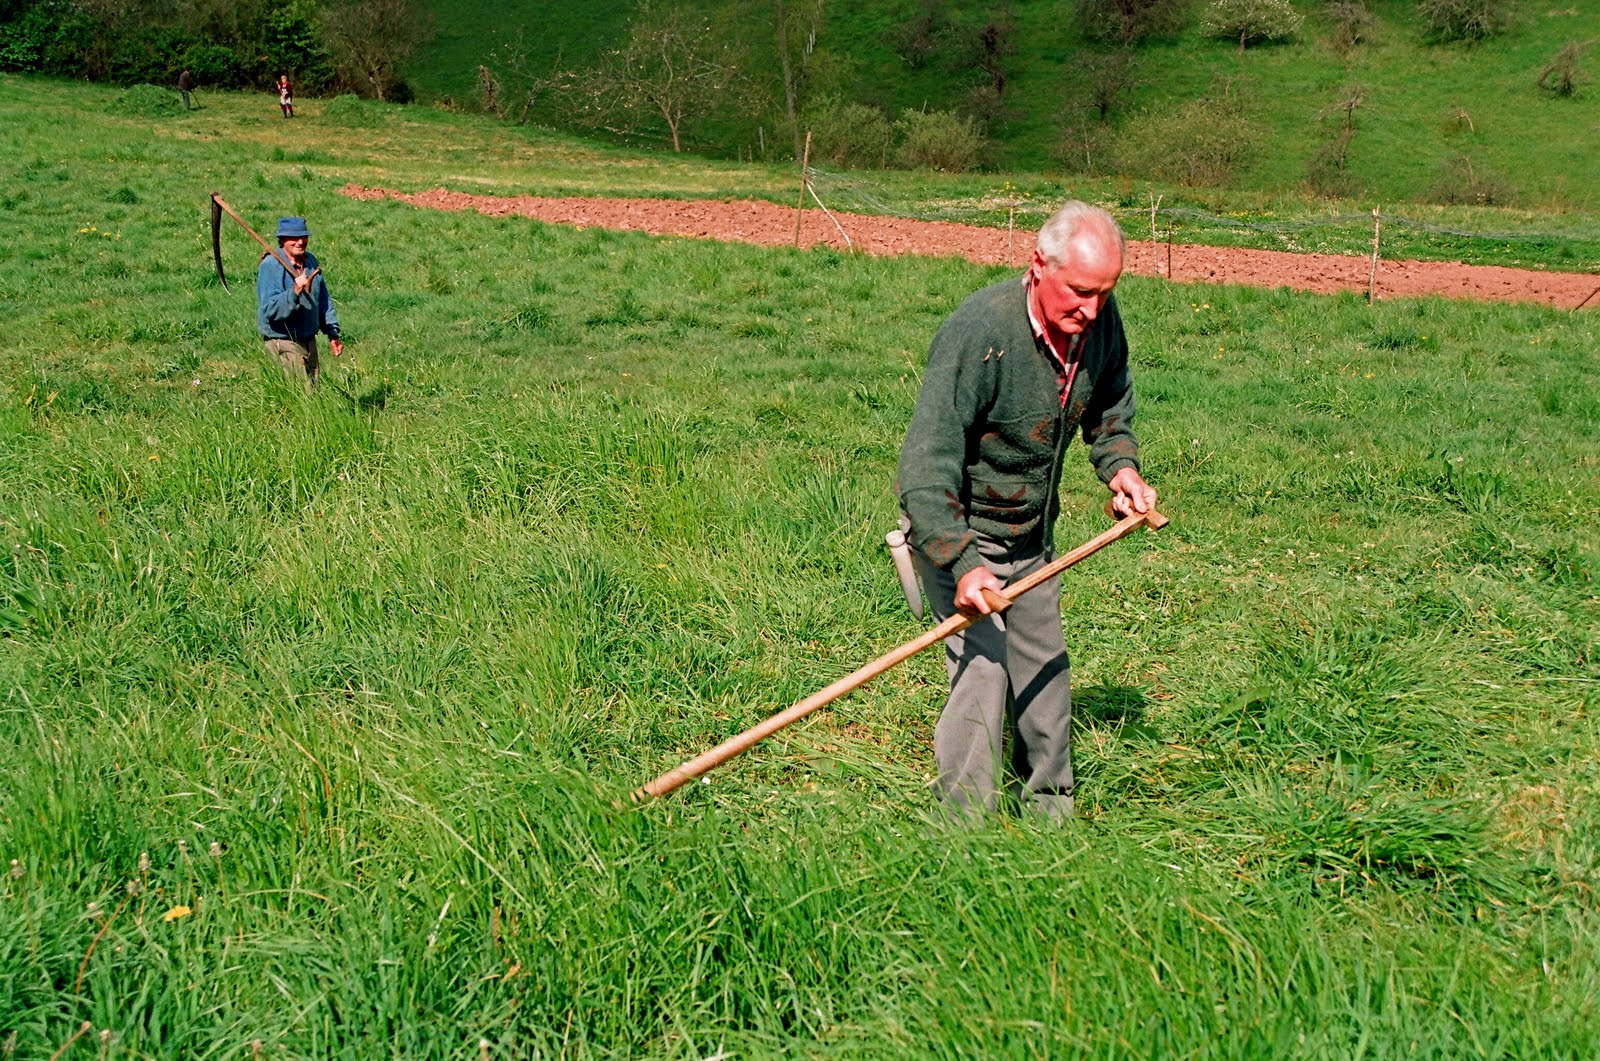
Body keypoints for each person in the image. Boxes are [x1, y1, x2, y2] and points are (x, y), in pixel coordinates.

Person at [895, 201, 1157, 821]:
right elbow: (924, 468)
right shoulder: (979, 332)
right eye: (1080, 292)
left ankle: (1049, 810)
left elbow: (1110, 403)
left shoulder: (1097, 320)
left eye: (1105, 293)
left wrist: (1121, 469)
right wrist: (962, 565)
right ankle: (962, 827)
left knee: (1045, 672)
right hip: (955, 533)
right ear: (1038, 265)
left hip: (1030, 537)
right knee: (984, 669)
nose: (1091, 310)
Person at [257, 217, 342, 391]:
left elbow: (322, 299)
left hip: (308, 337)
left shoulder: (310, 261)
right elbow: (270, 309)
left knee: (314, 390)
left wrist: (332, 332)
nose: (300, 241)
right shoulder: (271, 265)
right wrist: (294, 292)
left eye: (304, 237)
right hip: (283, 339)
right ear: (282, 240)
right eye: (294, 238)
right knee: (301, 393)